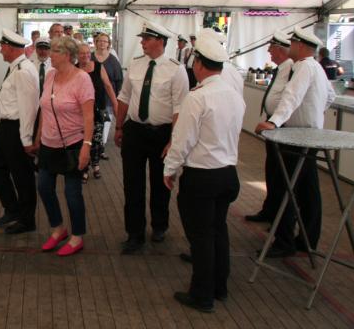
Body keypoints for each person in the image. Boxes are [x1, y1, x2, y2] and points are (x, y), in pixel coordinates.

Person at [164, 35, 245, 313]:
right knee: (218, 230)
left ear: (198, 64)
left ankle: (201, 295)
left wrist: (170, 169)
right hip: (228, 174)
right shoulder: (235, 95)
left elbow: (182, 140)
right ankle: (220, 286)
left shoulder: (197, 98)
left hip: (201, 177)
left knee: (201, 237)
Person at [255, 27, 336, 257]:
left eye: (291, 43)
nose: (289, 46)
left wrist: (274, 122)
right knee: (308, 190)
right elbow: (330, 96)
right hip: (309, 135)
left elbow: (292, 96)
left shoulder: (303, 67)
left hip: (295, 137)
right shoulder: (315, 66)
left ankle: (284, 241)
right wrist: (314, 114)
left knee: (286, 188)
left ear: (300, 46)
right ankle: (308, 239)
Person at [115, 21, 189, 254]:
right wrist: (119, 127)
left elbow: (180, 108)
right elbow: (124, 97)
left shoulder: (176, 69)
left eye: (146, 38)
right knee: (132, 184)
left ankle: (159, 225)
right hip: (135, 131)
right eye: (142, 38)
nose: (142, 42)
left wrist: (173, 140)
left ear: (160, 41)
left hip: (162, 133)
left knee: (160, 183)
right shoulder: (135, 64)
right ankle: (134, 233)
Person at [29, 36, 94, 257]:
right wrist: (38, 136)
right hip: (49, 144)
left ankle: (77, 236)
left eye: (54, 51)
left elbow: (88, 116)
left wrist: (86, 146)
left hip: (73, 144)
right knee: (44, 187)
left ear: (67, 55)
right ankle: (58, 228)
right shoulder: (50, 75)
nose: (50, 54)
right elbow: (44, 108)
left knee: (72, 193)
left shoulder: (82, 79)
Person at [0, 29, 40, 234]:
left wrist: (26, 139)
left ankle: (27, 220)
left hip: (17, 128)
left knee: (22, 175)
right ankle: (13, 209)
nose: (0, 50)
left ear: (10, 48)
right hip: (5, 126)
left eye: (2, 46)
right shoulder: (16, 67)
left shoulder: (23, 71)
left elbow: (29, 108)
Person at [245, 31, 293, 223]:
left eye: (271, 48)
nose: (269, 51)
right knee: (272, 170)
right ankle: (269, 210)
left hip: (281, 126)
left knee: (279, 173)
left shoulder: (292, 70)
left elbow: (291, 99)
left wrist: (276, 121)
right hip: (273, 123)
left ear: (280, 50)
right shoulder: (281, 69)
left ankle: (279, 216)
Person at [76, 42, 118, 181]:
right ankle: (85, 168)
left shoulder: (98, 66)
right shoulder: (74, 69)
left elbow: (108, 86)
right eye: (82, 53)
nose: (86, 55)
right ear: (77, 55)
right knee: (83, 141)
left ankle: (96, 165)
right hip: (80, 113)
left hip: (98, 110)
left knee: (96, 141)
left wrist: (115, 104)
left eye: (88, 52)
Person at [93, 32, 124, 147]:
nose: (102, 43)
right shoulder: (90, 57)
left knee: (105, 123)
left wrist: (117, 98)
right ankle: (93, 145)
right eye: (100, 41)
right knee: (92, 122)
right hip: (92, 97)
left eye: (105, 41)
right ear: (96, 43)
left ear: (108, 44)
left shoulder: (113, 60)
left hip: (108, 97)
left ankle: (102, 146)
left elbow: (119, 80)